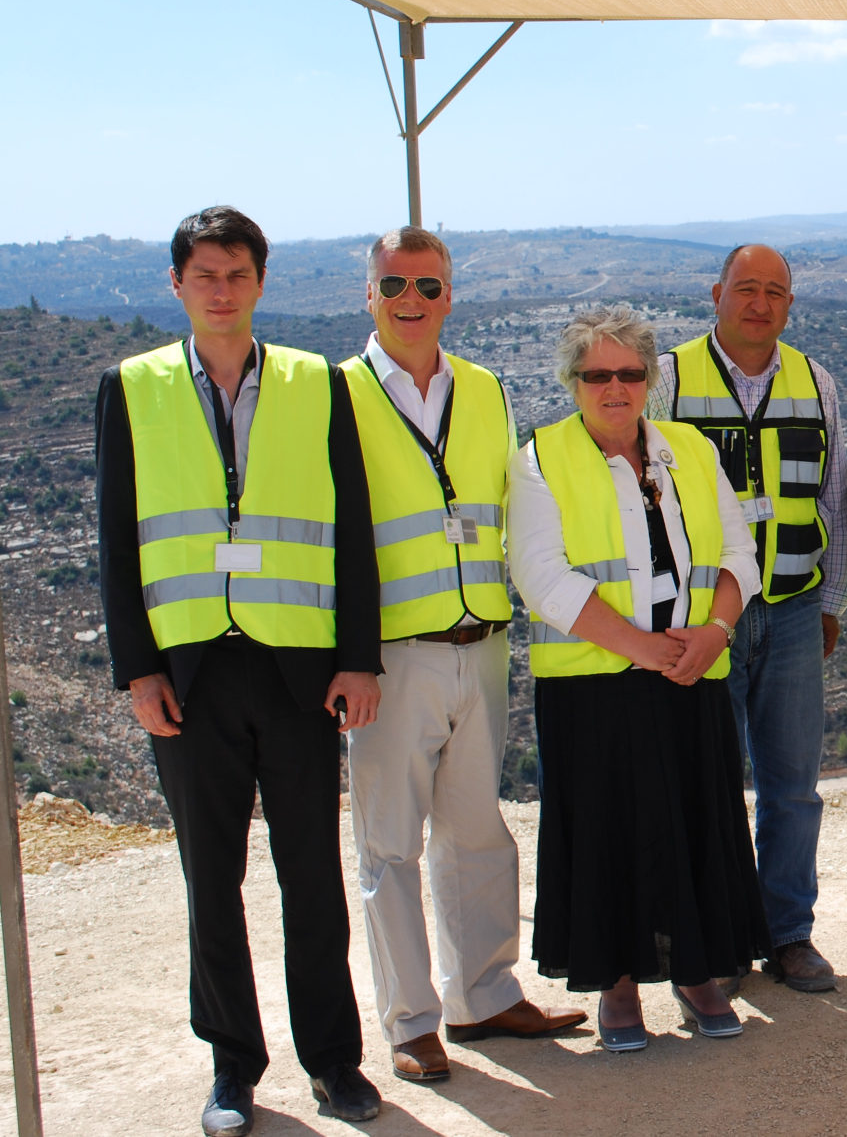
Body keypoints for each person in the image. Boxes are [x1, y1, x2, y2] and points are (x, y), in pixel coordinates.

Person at [95, 206, 383, 1134]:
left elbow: (352, 532)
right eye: (204, 275)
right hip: (187, 676)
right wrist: (136, 672)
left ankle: (335, 1062)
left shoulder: (315, 382)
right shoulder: (131, 386)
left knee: (312, 876)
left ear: (261, 282)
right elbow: (114, 538)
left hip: (298, 672)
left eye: (238, 274)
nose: (222, 290)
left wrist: (358, 659)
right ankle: (232, 1065)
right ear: (177, 286)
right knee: (207, 877)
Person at [337, 227, 584, 1085]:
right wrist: (347, 658)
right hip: (389, 654)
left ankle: (484, 996)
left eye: (430, 286)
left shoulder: (482, 389)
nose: (413, 300)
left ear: (451, 294)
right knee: (391, 844)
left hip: (482, 640)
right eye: (395, 284)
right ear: (367, 292)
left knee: (478, 832)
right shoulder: (340, 395)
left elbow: (517, 507)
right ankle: (411, 1021)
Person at [508, 307, 770, 1051]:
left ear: (650, 380)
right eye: (598, 375)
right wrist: (644, 648)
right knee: (606, 835)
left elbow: (738, 556)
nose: (615, 387)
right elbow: (543, 579)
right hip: (594, 687)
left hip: (691, 675)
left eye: (629, 373)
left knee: (694, 825)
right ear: (574, 383)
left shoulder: (688, 448)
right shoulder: (539, 459)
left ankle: (697, 975)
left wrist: (715, 633)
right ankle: (617, 989)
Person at [648, 244, 847, 991]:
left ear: (789, 305)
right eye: (746, 289)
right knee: (706, 780)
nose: (759, 304)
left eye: (775, 292)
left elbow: (833, 499)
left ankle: (788, 932)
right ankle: (715, 934)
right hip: (704, 616)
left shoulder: (816, 382)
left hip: (795, 609)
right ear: (716, 293)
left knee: (793, 784)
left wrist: (829, 602)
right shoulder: (667, 380)